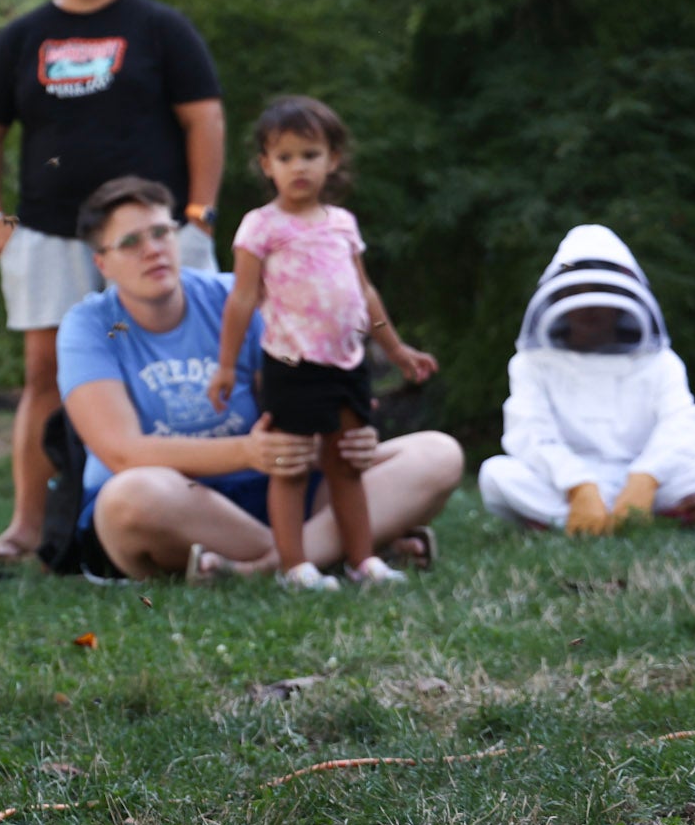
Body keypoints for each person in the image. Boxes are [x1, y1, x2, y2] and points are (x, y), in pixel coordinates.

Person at [0, 0, 226, 562]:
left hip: (158, 232)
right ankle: (28, 524)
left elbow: (205, 119)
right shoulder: (21, 38)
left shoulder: (161, 29)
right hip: (51, 233)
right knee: (44, 374)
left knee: (185, 363)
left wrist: (199, 211)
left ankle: (206, 498)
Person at [57, 176, 462, 582]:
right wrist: (248, 453)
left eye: (161, 232)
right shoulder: (87, 326)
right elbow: (122, 453)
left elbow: (292, 399)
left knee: (437, 455)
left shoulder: (234, 298)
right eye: (130, 242)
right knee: (131, 497)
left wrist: (344, 436)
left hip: (278, 483)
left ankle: (269, 565)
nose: (153, 250)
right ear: (102, 263)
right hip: (180, 503)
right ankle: (331, 551)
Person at [207, 97, 439, 589]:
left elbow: (364, 292)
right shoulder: (261, 226)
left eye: (309, 154)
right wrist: (226, 366)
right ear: (266, 165)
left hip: (346, 362)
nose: (298, 167)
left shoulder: (341, 224)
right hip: (291, 363)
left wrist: (397, 351)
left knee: (347, 463)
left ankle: (362, 561)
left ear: (332, 159)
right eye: (285, 157)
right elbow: (242, 299)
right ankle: (295, 568)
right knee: (290, 465)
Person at [478, 225, 695, 534]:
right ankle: (622, 518)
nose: (588, 306)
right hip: (564, 485)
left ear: (622, 298)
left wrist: (646, 477)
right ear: (558, 296)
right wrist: (578, 484)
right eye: (576, 292)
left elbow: (683, 425)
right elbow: (530, 431)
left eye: (599, 294)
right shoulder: (532, 362)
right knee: (496, 475)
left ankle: (568, 521)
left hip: (643, 481)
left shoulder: (659, 361)